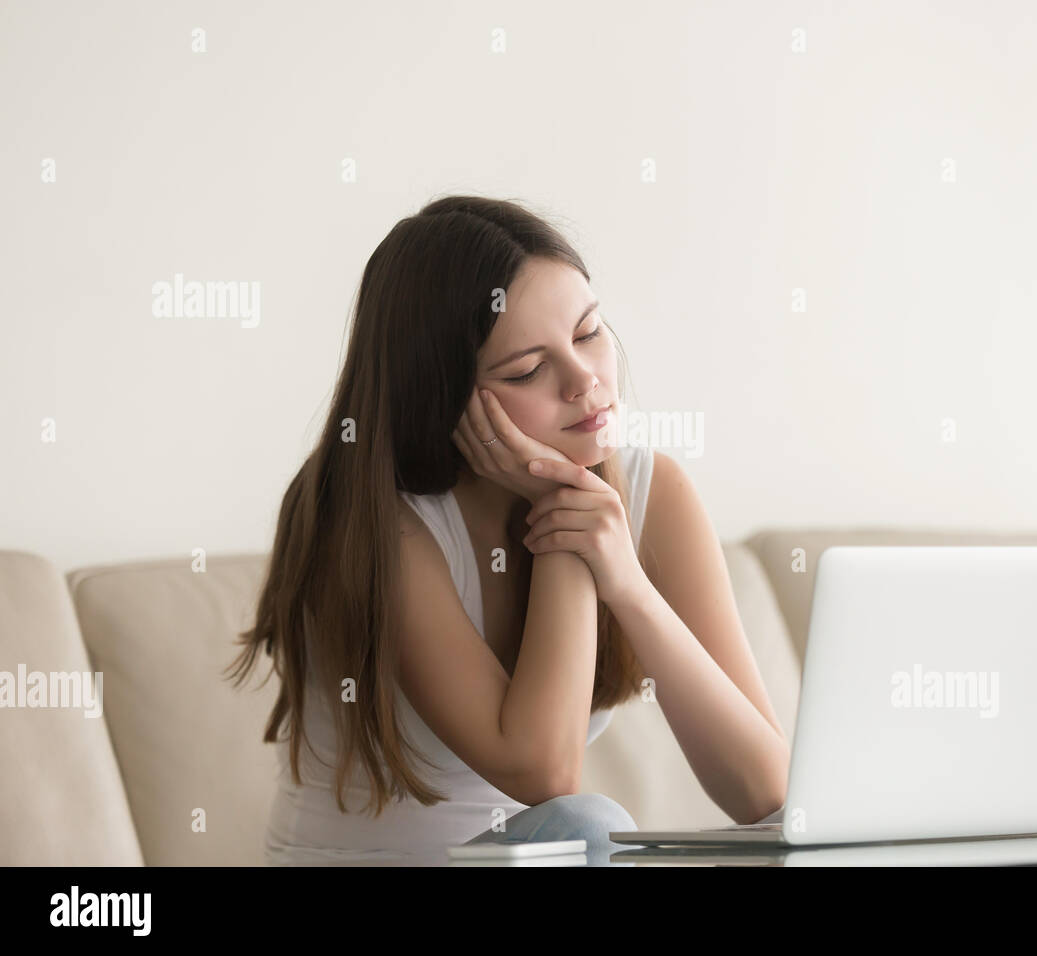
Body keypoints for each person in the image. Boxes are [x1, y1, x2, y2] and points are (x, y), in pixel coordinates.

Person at [225, 195, 789, 866]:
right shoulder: (373, 518)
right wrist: (565, 515)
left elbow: (768, 794)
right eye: (528, 370)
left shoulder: (651, 492)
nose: (585, 381)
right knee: (590, 825)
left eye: (588, 333)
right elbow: (545, 775)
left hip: (525, 864)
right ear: (443, 398)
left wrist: (630, 585)